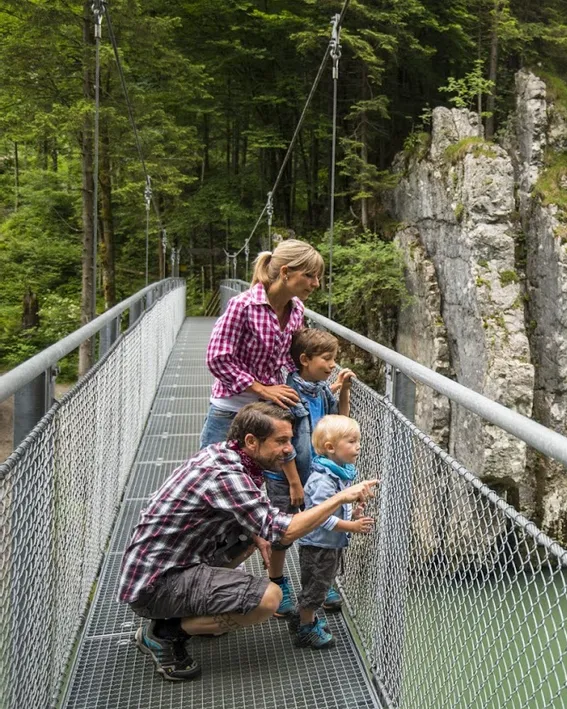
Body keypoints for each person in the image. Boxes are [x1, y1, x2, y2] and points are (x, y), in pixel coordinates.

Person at [118, 403, 377, 681]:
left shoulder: (228, 456)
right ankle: (164, 634)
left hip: (167, 563)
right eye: (281, 441)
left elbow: (256, 522)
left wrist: (256, 536)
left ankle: (191, 614)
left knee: (254, 538)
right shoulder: (227, 475)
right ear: (251, 441)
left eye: (290, 440)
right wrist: (340, 498)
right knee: (268, 599)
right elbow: (282, 531)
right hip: (155, 585)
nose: (290, 449)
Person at [264, 328, 355, 617]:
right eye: (327, 359)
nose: (332, 365)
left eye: (334, 359)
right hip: (288, 478)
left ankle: (318, 582)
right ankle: (278, 584)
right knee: (284, 533)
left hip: (317, 477)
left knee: (317, 527)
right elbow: (284, 443)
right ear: (305, 359)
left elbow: (338, 422)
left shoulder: (321, 390)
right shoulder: (288, 396)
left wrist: (344, 391)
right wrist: (293, 482)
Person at [199, 239, 325, 449]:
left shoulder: (296, 310)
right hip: (231, 410)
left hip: (267, 413)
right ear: (285, 272)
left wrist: (320, 382)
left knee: (254, 480)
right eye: (309, 275)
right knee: (213, 476)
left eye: (317, 277)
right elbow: (217, 358)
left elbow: (289, 359)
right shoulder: (243, 305)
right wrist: (262, 389)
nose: (316, 284)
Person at [289, 415, 374, 649]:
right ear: (330, 447)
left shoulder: (338, 473)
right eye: (351, 441)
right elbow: (321, 517)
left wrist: (353, 514)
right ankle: (306, 628)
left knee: (319, 584)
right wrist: (351, 527)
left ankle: (304, 617)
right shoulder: (323, 480)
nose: (358, 446)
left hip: (328, 544)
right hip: (319, 546)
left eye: (358, 441)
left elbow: (336, 507)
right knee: (317, 586)